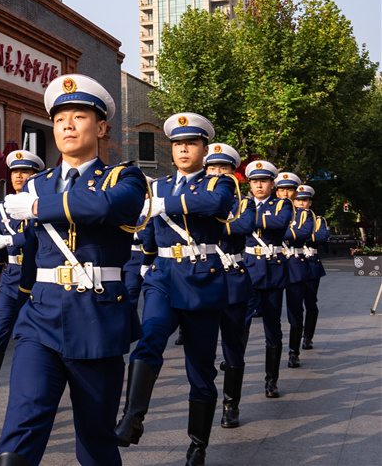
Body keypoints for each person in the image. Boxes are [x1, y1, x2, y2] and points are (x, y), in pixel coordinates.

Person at [0, 74, 147, 466]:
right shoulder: (37, 183)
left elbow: (104, 207)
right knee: (19, 431)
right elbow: (30, 251)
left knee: (96, 440)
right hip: (41, 318)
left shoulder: (124, 178)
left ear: (101, 129)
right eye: (60, 118)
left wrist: (34, 208)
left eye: (78, 117)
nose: (66, 125)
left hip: (96, 319)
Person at [115, 113, 234, 466]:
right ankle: (132, 417)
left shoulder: (219, 184)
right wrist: (146, 261)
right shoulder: (158, 185)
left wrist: (166, 205)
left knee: (201, 369)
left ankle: (198, 443)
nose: (183, 149)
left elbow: (216, 207)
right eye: (178, 144)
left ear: (204, 149)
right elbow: (149, 231)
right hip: (163, 276)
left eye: (191, 143)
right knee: (149, 338)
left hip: (202, 279)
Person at [0, 149, 45, 407]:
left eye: (26, 171)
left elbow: (38, 237)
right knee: (0, 330)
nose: (19, 176)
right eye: (15, 172)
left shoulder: (42, 204)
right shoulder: (1, 207)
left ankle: (33, 389)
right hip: (10, 276)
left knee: (32, 334)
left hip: (38, 276)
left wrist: (12, 239)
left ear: (34, 176)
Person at [204, 143, 256, 428]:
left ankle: (231, 405)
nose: (217, 173)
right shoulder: (195, 198)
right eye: (212, 168)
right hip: (203, 280)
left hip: (233, 279)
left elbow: (243, 226)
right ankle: (205, 401)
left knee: (233, 348)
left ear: (233, 174)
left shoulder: (244, 204)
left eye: (223, 169)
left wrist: (208, 222)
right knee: (203, 349)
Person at [242, 160, 293, 398]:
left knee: (272, 327)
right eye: (254, 181)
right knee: (241, 323)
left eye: (263, 181)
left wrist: (245, 221)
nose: (259, 185)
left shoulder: (282, 204)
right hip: (249, 269)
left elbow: (279, 223)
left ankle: (271, 379)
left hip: (272, 270)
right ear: (249, 184)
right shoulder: (242, 203)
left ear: (272, 184)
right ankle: (235, 367)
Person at [276, 173, 314, 369]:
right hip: (272, 264)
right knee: (270, 314)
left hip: (294, 265)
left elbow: (304, 233)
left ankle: (293, 351)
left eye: (289, 190)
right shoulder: (269, 210)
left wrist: (272, 229)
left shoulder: (304, 214)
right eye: (281, 189)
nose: (284, 193)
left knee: (295, 311)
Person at [293, 185, 329, 350]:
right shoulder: (288, 217)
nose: (300, 203)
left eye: (304, 200)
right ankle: (296, 339)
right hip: (293, 262)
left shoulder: (318, 219)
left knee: (311, 302)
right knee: (295, 304)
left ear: (310, 202)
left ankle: (308, 336)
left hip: (310, 263)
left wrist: (301, 233)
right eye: (297, 199)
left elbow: (322, 236)